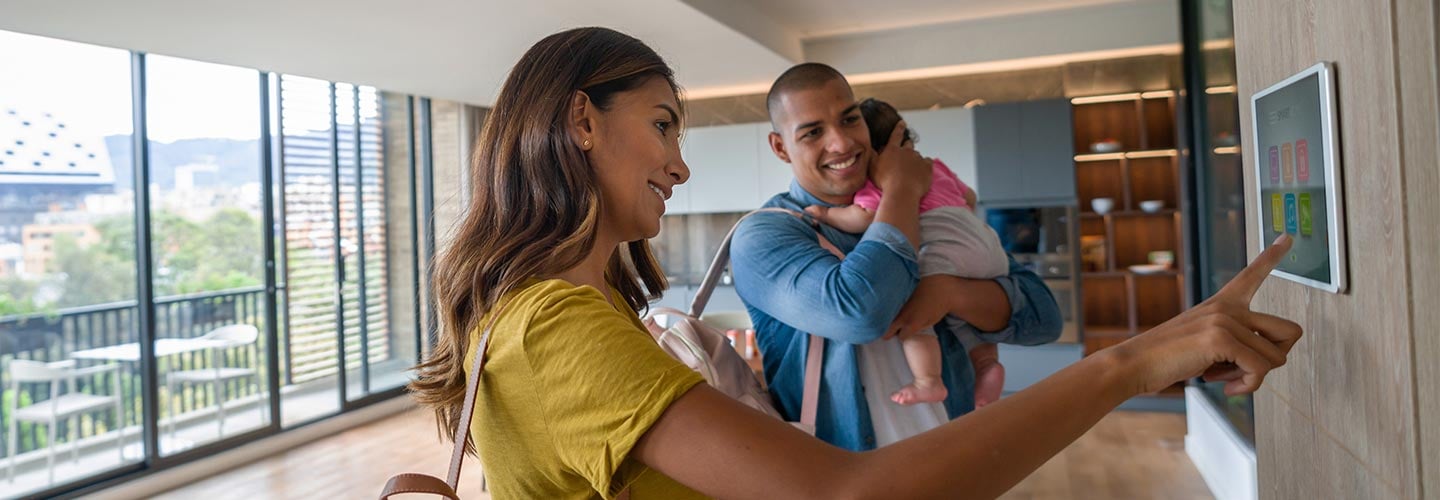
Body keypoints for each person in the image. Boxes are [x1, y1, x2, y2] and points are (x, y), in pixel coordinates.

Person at [410, 27, 1302, 499]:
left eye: (853, 122)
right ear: (580, 122)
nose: (679, 164)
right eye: (664, 124)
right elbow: (861, 341)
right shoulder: (558, 325)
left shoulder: (563, 312)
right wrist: (1140, 358)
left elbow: (1033, 311)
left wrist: (954, 287)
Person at [731, 63, 1061, 449]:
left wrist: (949, 292)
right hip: (846, 473)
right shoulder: (766, 233)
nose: (841, 143)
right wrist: (901, 188)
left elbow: (1044, 319)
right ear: (780, 146)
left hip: (955, 452)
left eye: (850, 119)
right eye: (813, 132)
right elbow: (859, 311)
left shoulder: (930, 212)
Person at [802, 97, 1010, 407]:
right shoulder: (933, 165)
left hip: (945, 250)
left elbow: (863, 217)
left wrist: (825, 214)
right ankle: (986, 363)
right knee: (961, 317)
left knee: (916, 310)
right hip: (988, 245)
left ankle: (928, 380)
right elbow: (969, 196)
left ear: (874, 154)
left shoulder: (880, 181)